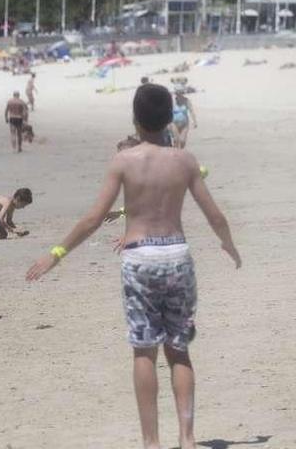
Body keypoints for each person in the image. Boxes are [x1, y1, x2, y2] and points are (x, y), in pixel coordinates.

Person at [26, 84, 241, 449]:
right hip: (175, 255)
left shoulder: (123, 161)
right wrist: (229, 245)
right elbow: (215, 216)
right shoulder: (185, 161)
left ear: (135, 119)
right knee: (179, 350)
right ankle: (187, 439)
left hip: (140, 258)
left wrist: (57, 253)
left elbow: (94, 219)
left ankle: (151, 443)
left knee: (144, 351)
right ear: (168, 117)